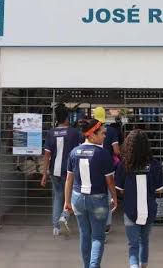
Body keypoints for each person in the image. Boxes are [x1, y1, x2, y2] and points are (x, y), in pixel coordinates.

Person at [64, 118, 118, 268]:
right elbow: (110, 181)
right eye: (102, 133)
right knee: (98, 237)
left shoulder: (74, 152)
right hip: (98, 200)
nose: (105, 136)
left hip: (78, 200)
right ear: (92, 135)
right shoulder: (103, 154)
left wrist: (67, 201)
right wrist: (114, 197)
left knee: (84, 234)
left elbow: (69, 179)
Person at [115, 130, 163, 268]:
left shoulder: (123, 165)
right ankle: (143, 265)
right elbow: (159, 189)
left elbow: (119, 189)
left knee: (133, 245)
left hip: (130, 210)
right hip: (149, 210)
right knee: (144, 241)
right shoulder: (155, 165)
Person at [42, 103, 83, 236]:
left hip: (54, 171)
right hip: (69, 171)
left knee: (58, 196)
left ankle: (56, 227)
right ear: (67, 118)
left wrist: (44, 174)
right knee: (69, 196)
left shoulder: (50, 133)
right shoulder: (74, 133)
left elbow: (47, 155)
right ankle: (64, 217)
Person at [93, 106, 121, 234]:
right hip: (108, 167)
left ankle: (96, 223)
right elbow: (116, 151)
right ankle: (107, 224)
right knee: (109, 195)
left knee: (95, 194)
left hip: (93, 166)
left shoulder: (91, 131)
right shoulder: (112, 131)